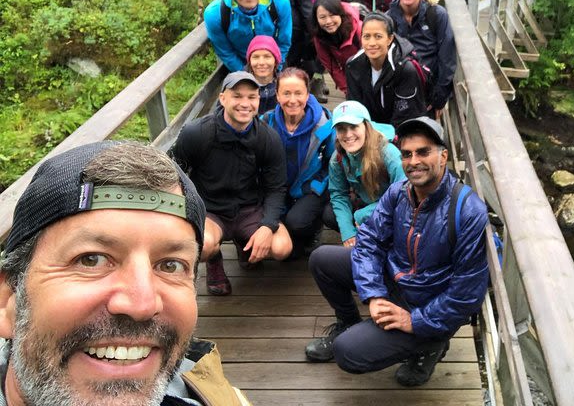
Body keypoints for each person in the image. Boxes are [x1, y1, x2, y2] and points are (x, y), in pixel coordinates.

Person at [0, 141, 252, 405]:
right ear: (8, 300)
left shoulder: (223, 398)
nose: (141, 305)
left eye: (170, 265)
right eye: (91, 260)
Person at [304, 117, 489, 387]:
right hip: (396, 282)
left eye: (423, 152)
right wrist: (374, 293)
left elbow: (467, 294)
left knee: (348, 353)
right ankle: (348, 321)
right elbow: (369, 241)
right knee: (321, 259)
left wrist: (414, 321)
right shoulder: (398, 192)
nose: (413, 161)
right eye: (407, 154)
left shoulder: (467, 210)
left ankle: (430, 345)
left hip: (427, 304)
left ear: (443, 156)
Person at [172, 71, 292, 296]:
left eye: (251, 97)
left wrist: (267, 226)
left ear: (259, 100)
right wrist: (185, 213)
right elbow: (173, 173)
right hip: (210, 211)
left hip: (249, 209)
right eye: (237, 96)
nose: (245, 104)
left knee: (282, 247)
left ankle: (243, 243)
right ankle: (214, 260)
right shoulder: (196, 132)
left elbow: (276, 187)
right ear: (223, 98)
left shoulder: (268, 138)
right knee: (202, 245)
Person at [261, 68, 334, 257]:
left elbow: (333, 162)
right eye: (286, 93)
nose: (292, 100)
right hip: (277, 187)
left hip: (311, 187)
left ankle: (314, 229)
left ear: (308, 95)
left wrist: (317, 186)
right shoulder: (266, 122)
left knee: (296, 222)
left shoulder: (324, 125)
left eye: (298, 93)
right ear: (277, 95)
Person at [323, 100, 405, 248]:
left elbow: (404, 194)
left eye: (354, 126)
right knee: (329, 214)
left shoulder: (389, 153)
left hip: (394, 211)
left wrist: (365, 215)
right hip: (365, 203)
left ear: (366, 126)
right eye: (341, 129)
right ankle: (360, 237)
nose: (348, 134)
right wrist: (348, 232)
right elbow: (338, 194)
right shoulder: (338, 158)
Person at [387, 0, 456, 117]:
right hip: (398, 92)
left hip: (428, 94)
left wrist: (440, 99)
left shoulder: (436, 14)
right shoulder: (389, 17)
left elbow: (447, 58)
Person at [204, 0, 292, 72]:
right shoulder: (214, 14)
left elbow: (284, 41)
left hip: (273, 63)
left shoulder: (280, 2)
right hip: (239, 66)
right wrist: (246, 76)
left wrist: (274, 70)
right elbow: (225, 51)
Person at [345, 11, 426, 127]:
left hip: (403, 130)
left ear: (390, 39)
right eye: (366, 36)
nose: (371, 43)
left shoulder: (405, 69)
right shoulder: (353, 65)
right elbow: (355, 107)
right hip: (369, 130)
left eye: (378, 36)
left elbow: (405, 116)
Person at [311, 0, 362, 95]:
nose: (328, 21)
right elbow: (332, 66)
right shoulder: (319, 36)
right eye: (322, 17)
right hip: (350, 75)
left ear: (340, 14)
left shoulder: (359, 29)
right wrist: (347, 90)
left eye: (332, 15)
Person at [246, 35, 282, 113]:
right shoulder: (238, 85)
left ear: (275, 61)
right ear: (250, 62)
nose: (261, 62)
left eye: (267, 56)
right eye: (256, 57)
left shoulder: (285, 84)